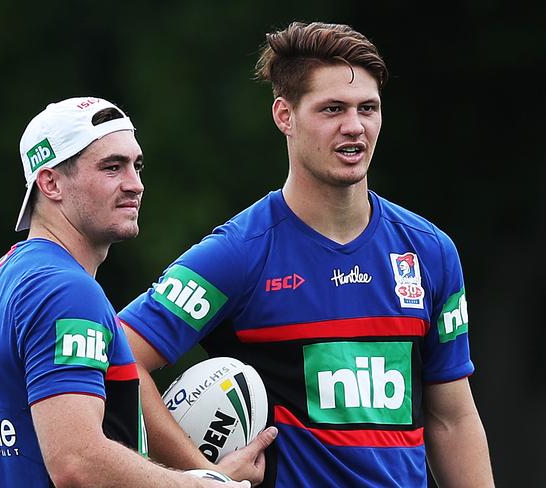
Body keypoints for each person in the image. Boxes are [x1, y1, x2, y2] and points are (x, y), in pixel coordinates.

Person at [119, 22, 495, 487]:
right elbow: (119, 355)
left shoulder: (430, 252)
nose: (354, 126)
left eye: (368, 108)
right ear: (285, 115)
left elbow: (451, 420)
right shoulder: (239, 254)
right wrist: (203, 475)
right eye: (332, 109)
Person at [0, 96, 275, 487]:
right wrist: (206, 486)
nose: (135, 184)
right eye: (112, 167)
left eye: (136, 165)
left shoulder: (7, 274)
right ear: (50, 182)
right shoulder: (66, 290)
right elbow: (77, 462)